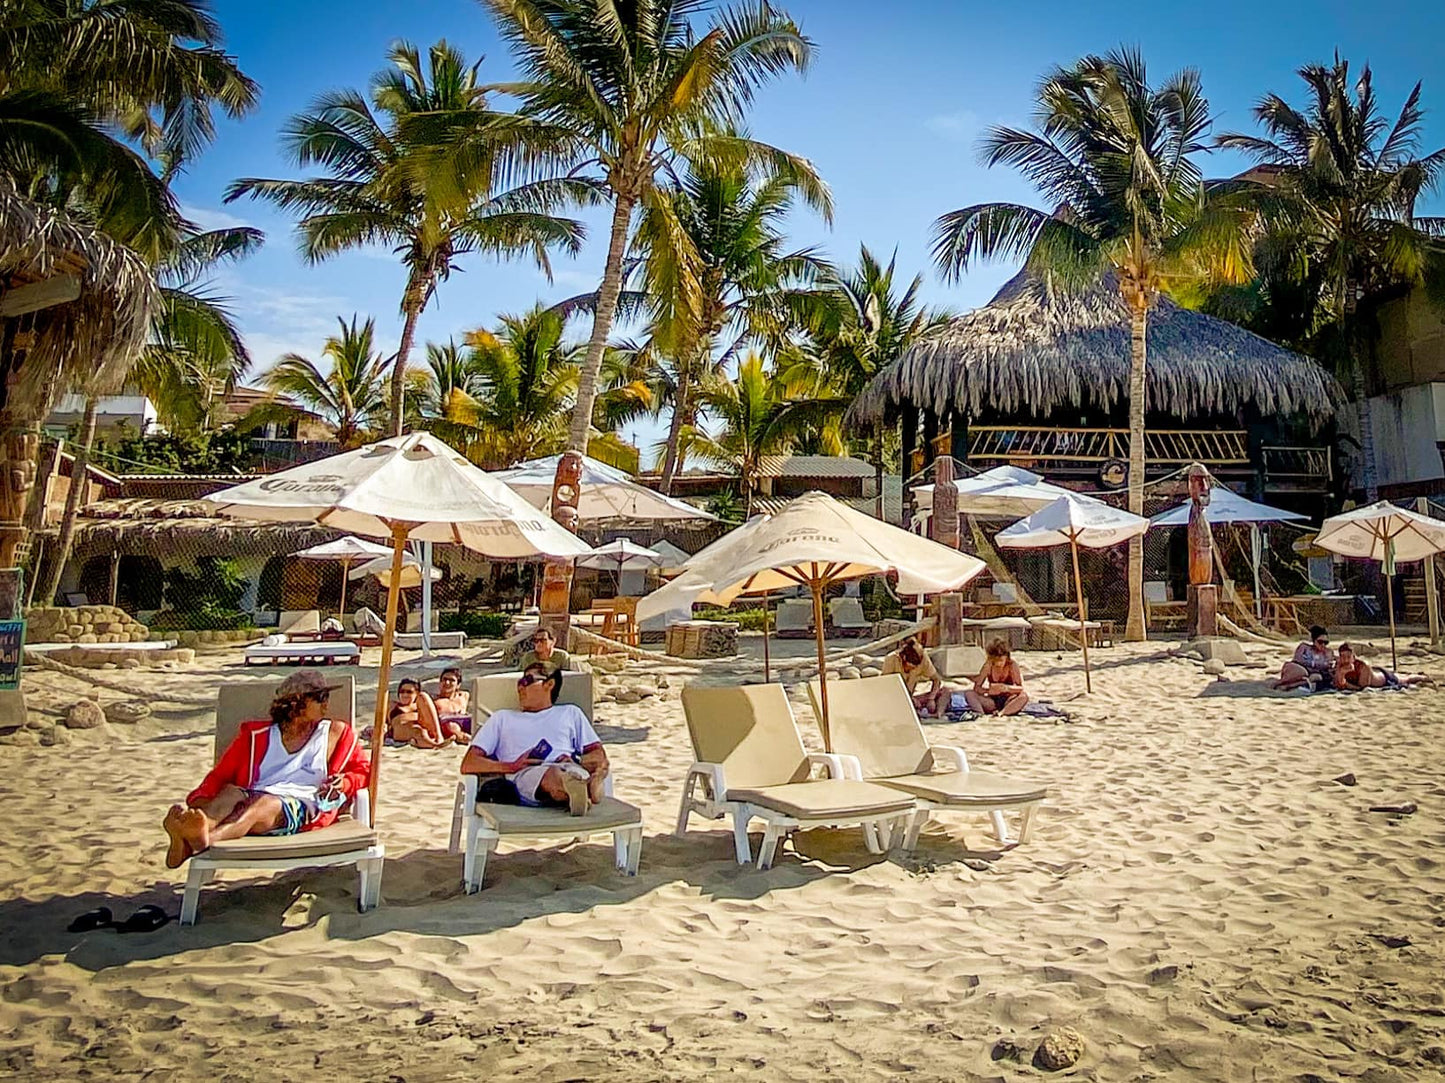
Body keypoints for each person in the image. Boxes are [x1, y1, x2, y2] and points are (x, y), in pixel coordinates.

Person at [162, 670, 370, 868]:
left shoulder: (336, 733)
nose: (326, 703)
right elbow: (222, 773)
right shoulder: (256, 735)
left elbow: (364, 771)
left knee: (262, 804)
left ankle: (197, 844)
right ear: (296, 702)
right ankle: (200, 828)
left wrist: (345, 782)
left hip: (301, 804)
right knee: (231, 793)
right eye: (319, 697)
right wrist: (200, 799)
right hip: (253, 793)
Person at [460, 663, 608, 816]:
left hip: (569, 766)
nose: (520, 687)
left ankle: (578, 790)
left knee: (577, 772)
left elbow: (599, 754)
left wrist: (576, 759)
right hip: (526, 773)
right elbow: (469, 763)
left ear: (549, 684)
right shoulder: (502, 718)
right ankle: (585, 790)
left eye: (527, 681)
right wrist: (511, 766)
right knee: (553, 775)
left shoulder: (571, 713)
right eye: (519, 682)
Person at [882, 637, 948, 717]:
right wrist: (909, 698)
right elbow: (885, 688)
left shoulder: (923, 658)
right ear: (904, 658)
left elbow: (936, 679)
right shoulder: (891, 659)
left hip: (913, 697)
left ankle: (937, 714)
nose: (912, 669)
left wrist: (931, 698)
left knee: (945, 691)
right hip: (896, 698)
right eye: (910, 667)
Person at [388, 677, 462, 748]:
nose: (405, 695)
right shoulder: (393, 705)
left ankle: (438, 737)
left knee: (423, 695)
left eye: (409, 692)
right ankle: (434, 745)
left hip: (421, 725)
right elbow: (383, 723)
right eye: (402, 691)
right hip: (401, 728)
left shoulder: (419, 704)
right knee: (419, 731)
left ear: (416, 693)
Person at [963, 639, 1029, 716]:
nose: (998, 663)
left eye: (1001, 660)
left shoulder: (1012, 665)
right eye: (995, 660)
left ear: (1006, 657)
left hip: (1009, 699)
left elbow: (1020, 688)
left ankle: (1002, 713)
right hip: (992, 701)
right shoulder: (988, 666)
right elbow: (977, 687)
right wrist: (988, 691)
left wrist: (1006, 688)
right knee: (969, 694)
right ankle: (980, 714)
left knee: (1024, 696)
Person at [1334, 643, 1432, 691]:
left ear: (1353, 658)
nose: (1345, 660)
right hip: (1376, 672)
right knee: (1401, 675)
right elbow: (1337, 683)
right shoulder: (1340, 664)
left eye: (1348, 657)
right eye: (1343, 657)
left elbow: (1363, 688)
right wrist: (1341, 674)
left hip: (1384, 678)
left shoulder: (1363, 666)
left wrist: (1345, 682)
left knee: (1405, 679)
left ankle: (1423, 677)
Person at [1274, 625, 1335, 691]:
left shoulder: (1327, 652)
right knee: (1303, 673)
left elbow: (1328, 666)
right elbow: (1298, 659)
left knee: (1315, 678)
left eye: (1325, 643)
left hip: (1310, 674)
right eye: (1320, 642)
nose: (1323, 645)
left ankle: (1289, 686)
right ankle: (1278, 684)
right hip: (1296, 668)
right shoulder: (1304, 647)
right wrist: (1315, 664)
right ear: (1314, 641)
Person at [431, 667, 471, 734]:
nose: (447, 682)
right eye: (444, 679)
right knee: (452, 726)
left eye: (451, 680)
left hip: (464, 722)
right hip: (447, 726)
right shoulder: (434, 701)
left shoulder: (464, 696)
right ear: (440, 682)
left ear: (458, 685)